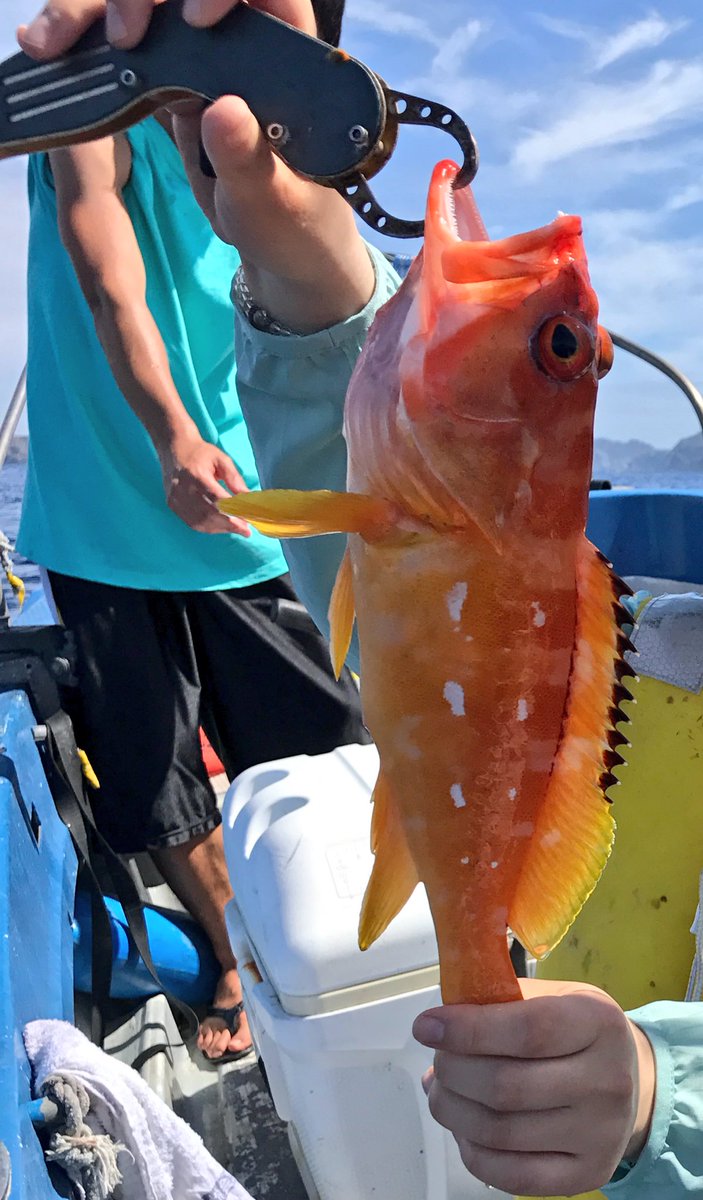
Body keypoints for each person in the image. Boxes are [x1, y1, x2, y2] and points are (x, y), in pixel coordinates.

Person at [15, 0, 703, 1193]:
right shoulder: (420, 477)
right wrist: (299, 251)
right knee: (165, 771)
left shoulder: (424, 483)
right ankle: (236, 968)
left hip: (227, 519)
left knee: (284, 752)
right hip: (137, 513)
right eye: (563, 349)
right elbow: (367, 423)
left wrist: (656, 1099)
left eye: (557, 352)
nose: (559, 273)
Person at [15, 0, 370, 1065]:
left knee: (323, 754)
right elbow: (101, 255)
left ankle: (342, 957)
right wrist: (172, 433)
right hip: (101, 509)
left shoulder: (259, 115)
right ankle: (231, 957)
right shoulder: (91, 96)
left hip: (246, 500)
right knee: (155, 783)